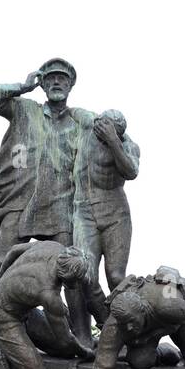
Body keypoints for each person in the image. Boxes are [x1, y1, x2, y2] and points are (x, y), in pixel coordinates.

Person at [0, 58, 97, 344]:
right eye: (51, 78)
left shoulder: (79, 122)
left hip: (61, 203)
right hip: (20, 199)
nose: (56, 82)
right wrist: (23, 86)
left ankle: (81, 333)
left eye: (62, 79)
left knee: (72, 267)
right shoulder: (23, 109)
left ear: (71, 85)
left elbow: (115, 137)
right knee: (4, 260)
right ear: (42, 84)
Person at [0, 241, 96, 369]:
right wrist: (86, 352)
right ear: (67, 277)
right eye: (76, 282)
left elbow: (13, 250)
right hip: (1, 317)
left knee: (60, 349)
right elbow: (65, 340)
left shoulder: (54, 248)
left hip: (22, 310)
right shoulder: (49, 294)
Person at [73, 109, 139, 326]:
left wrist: (114, 142)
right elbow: (65, 110)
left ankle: (132, 322)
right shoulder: (86, 124)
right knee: (84, 274)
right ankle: (106, 323)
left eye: (114, 132)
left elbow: (131, 172)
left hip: (116, 214)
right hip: (85, 212)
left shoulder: (127, 145)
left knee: (116, 276)